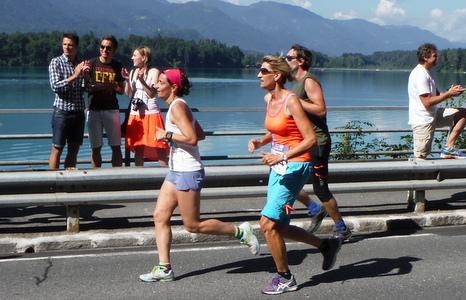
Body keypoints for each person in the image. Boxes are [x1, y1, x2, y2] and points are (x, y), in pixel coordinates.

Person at [139, 68, 260, 282]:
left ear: (173, 86)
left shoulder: (177, 108)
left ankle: (240, 232)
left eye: (160, 82)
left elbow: (193, 138)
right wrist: (173, 137)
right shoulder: (179, 107)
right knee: (160, 216)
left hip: (188, 171)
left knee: (192, 225)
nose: (156, 86)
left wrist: (166, 135)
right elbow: (200, 134)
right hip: (176, 170)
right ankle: (164, 268)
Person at [248, 56, 341, 295]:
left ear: (277, 75)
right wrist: (261, 141)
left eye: (263, 71)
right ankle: (326, 245)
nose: (258, 75)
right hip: (280, 166)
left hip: (296, 165)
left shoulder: (292, 101)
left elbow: (309, 139)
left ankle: (285, 278)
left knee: (267, 224)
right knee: (279, 226)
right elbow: (279, 131)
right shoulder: (269, 98)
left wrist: (282, 156)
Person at [286, 44, 352, 240]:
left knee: (321, 188)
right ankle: (315, 209)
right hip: (303, 142)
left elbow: (321, 110)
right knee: (286, 179)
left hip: (318, 143)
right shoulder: (296, 82)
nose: (286, 60)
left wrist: (295, 102)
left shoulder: (309, 81)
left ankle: (341, 227)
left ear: (301, 61)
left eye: (289, 57)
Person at [408, 43, 466, 160]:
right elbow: (427, 102)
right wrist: (448, 94)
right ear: (426, 57)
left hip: (433, 114)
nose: (437, 58)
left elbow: (436, 95)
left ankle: (448, 149)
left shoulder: (430, 72)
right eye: (435, 56)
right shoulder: (420, 74)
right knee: (421, 159)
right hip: (422, 120)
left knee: (462, 113)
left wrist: (452, 92)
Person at [48, 33, 88, 170]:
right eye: (65, 44)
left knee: (73, 150)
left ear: (76, 47)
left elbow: (84, 89)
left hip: (78, 112)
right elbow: (55, 86)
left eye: (70, 45)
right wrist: (75, 76)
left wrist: (86, 77)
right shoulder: (56, 62)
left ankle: (68, 184)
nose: (67, 47)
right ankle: (52, 183)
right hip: (62, 112)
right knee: (57, 148)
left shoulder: (81, 64)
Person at [121, 47, 168, 166]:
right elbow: (129, 93)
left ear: (144, 58)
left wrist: (141, 81)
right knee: (138, 148)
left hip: (151, 113)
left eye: (135, 55)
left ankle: (165, 176)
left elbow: (152, 93)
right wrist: (127, 80)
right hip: (136, 114)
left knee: (159, 145)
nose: (132, 58)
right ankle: (139, 179)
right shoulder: (133, 72)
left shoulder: (154, 72)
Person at [86, 35, 125, 168]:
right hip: (94, 110)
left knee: (116, 147)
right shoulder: (91, 64)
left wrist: (114, 86)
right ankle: (96, 179)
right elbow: (86, 87)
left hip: (111, 110)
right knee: (95, 148)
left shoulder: (117, 66)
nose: (105, 50)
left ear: (114, 50)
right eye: (102, 47)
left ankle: (118, 178)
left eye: (108, 48)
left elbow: (121, 90)